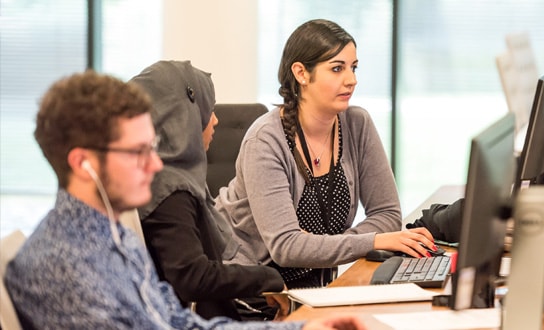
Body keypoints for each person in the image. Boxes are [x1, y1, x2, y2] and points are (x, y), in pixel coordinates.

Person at [4, 70, 366, 330]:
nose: (156, 163)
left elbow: (177, 321)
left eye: (152, 147)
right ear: (83, 163)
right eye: (137, 151)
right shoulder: (66, 266)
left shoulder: (112, 235)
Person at [215, 18, 436, 290]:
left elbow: (387, 214)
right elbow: (286, 247)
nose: (351, 80)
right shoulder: (265, 141)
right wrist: (372, 240)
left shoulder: (357, 124)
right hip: (255, 291)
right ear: (301, 73)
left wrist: (321, 244)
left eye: (353, 68)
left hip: (316, 287)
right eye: (337, 68)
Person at [130, 60, 288, 321]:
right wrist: (266, 278)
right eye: (208, 110)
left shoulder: (168, 178)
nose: (215, 120)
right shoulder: (170, 190)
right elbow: (192, 278)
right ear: (183, 117)